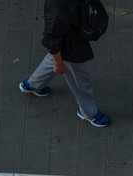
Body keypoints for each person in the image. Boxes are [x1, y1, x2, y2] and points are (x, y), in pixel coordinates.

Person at [18, 0, 110, 128]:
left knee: (54, 59)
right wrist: (58, 63)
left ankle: (32, 84)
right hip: (71, 48)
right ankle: (88, 112)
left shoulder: (60, 8)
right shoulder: (58, 11)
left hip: (67, 42)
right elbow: (52, 41)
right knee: (81, 82)